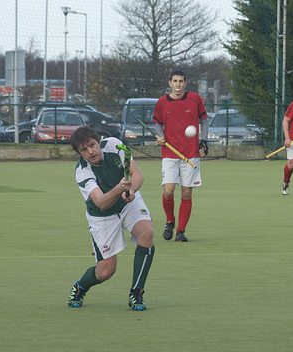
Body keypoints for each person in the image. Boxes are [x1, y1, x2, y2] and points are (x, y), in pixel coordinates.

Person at [67, 126, 155, 311]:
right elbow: (101, 202)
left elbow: (137, 175)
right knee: (106, 271)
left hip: (127, 203)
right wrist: (119, 189)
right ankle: (81, 286)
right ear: (79, 153)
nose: (91, 151)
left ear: (99, 141)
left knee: (147, 233)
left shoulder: (115, 145)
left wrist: (131, 191)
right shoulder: (82, 171)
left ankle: (136, 293)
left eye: (92, 145)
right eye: (84, 150)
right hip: (102, 215)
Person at [153, 70, 209, 242]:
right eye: (175, 81)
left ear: (186, 83)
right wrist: (160, 137)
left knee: (186, 192)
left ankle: (180, 231)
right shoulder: (162, 102)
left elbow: (204, 120)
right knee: (168, 191)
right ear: (169, 83)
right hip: (170, 153)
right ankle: (170, 221)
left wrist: (204, 140)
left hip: (190, 153)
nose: (178, 84)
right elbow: (157, 123)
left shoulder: (194, 99)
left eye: (181, 81)